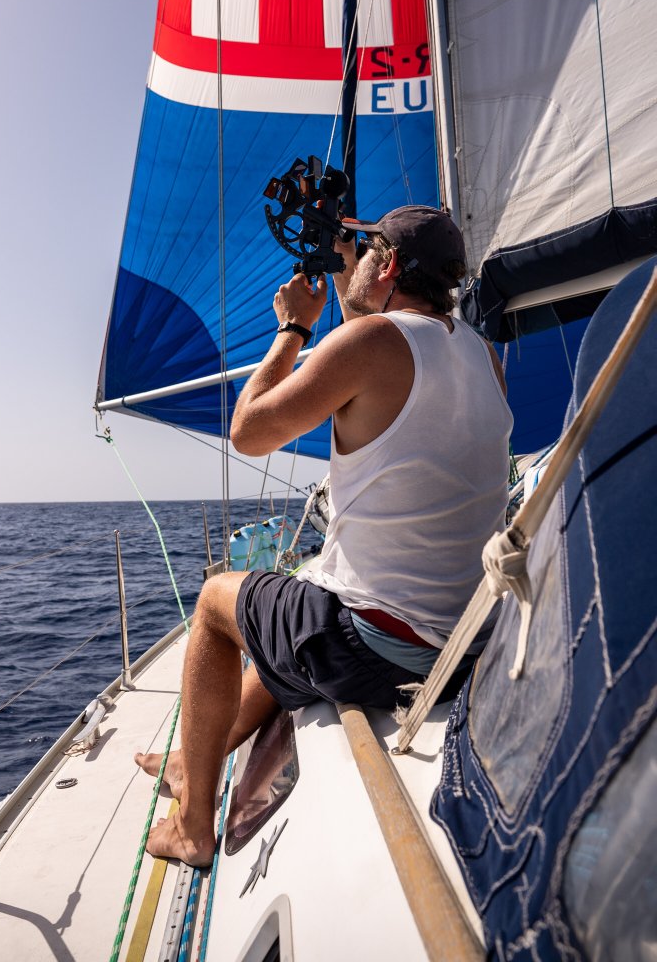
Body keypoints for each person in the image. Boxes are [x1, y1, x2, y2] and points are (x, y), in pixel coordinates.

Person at [136, 205, 513, 865]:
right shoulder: (483, 354)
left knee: (217, 604)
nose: (355, 262)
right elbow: (384, 361)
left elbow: (249, 432)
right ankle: (191, 761)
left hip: (385, 651)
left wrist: (292, 328)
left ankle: (192, 827)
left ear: (389, 264)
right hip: (464, 650)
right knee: (296, 606)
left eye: (365, 252)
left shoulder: (367, 345)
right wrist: (348, 286)